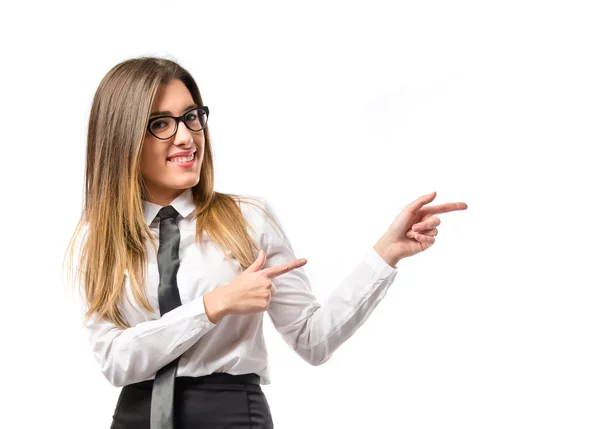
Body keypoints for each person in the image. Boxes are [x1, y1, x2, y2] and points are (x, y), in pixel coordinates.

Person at [64, 56, 468, 429]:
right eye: (161, 124)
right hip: (136, 419)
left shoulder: (247, 219)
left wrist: (386, 255)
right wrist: (214, 305)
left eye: (191, 117)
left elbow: (313, 340)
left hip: (232, 417)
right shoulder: (98, 239)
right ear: (123, 140)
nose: (187, 137)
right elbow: (115, 361)